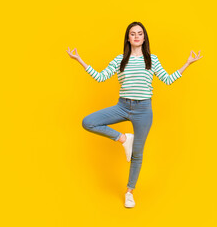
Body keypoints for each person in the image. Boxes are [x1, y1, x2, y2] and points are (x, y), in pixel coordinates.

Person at [66, 21, 203, 208]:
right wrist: (79, 60)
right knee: (88, 122)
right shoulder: (119, 59)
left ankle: (129, 192)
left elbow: (168, 80)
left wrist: (187, 63)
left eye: (140, 33)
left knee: (137, 154)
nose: (136, 36)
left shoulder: (152, 59)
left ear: (144, 37)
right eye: (133, 33)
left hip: (144, 110)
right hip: (122, 106)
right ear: (128, 37)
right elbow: (100, 77)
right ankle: (123, 138)